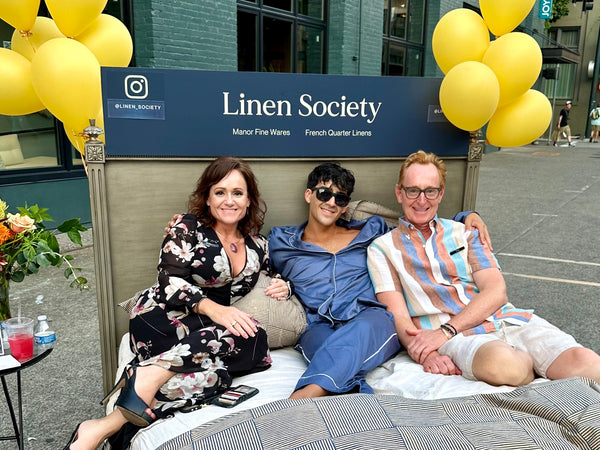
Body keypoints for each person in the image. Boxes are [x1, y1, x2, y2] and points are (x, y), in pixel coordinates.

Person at [66, 156, 291, 450]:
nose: (229, 201)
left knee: (221, 372)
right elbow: (169, 280)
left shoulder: (257, 244)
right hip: (164, 317)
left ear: (249, 200)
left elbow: (274, 272)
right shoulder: (187, 226)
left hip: (206, 330)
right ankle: (146, 379)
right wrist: (216, 310)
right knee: (227, 342)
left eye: (237, 193)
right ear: (208, 198)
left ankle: (115, 415)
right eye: (220, 192)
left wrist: (285, 284)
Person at [367, 150, 600, 387]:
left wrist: (445, 331)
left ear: (441, 194)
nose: (421, 200)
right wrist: (427, 352)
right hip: (458, 338)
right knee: (506, 367)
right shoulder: (382, 249)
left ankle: (542, 364)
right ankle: (538, 369)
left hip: (503, 320)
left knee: (588, 363)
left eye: (430, 191)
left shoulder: (466, 232)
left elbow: (496, 291)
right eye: (412, 190)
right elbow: (398, 314)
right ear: (399, 192)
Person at [268, 162, 491, 399]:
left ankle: (300, 399)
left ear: (345, 207)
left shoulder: (371, 231)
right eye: (324, 193)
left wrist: (468, 215)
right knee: (333, 353)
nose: (332, 203)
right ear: (309, 195)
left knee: (355, 338)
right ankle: (362, 408)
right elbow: (249, 264)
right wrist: (284, 284)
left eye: (341, 199)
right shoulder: (281, 241)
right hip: (319, 324)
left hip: (371, 316)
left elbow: (420, 226)